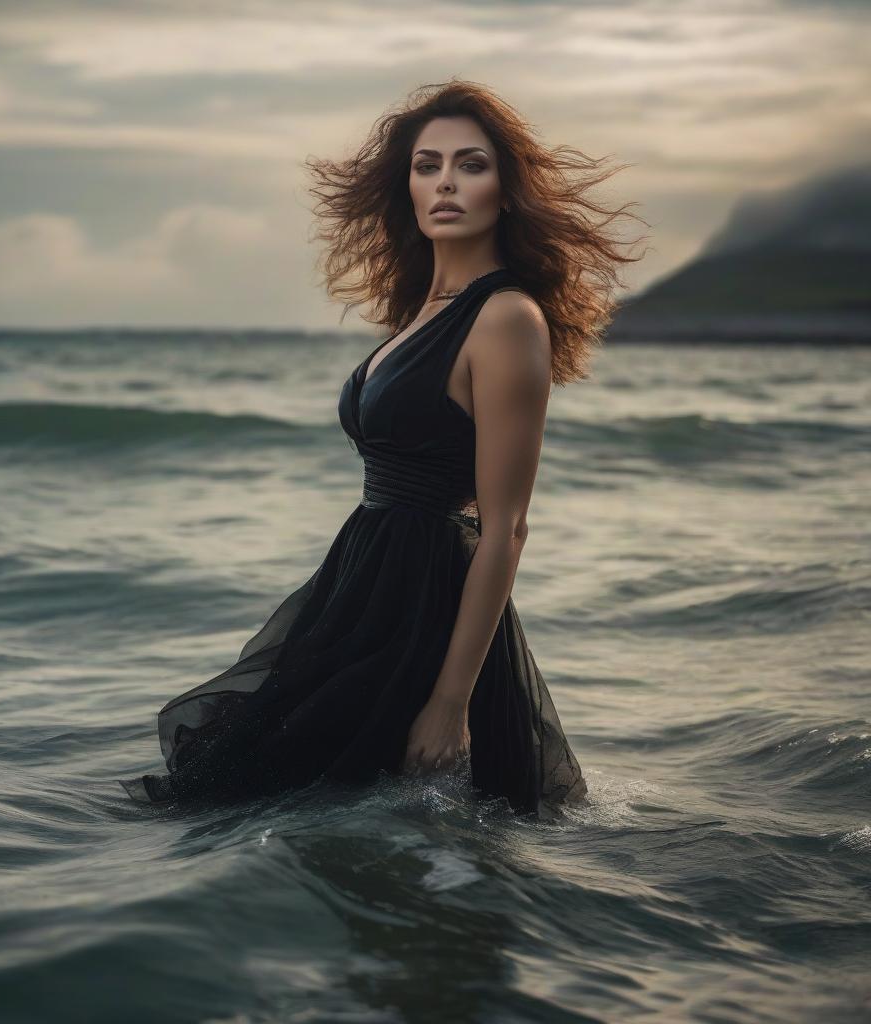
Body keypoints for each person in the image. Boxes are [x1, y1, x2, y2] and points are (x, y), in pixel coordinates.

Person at [119, 79, 646, 817]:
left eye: (471, 165)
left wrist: (451, 700)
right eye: (427, 166)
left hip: (426, 604)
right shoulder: (418, 313)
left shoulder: (505, 318)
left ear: (507, 187)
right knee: (281, 807)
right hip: (366, 586)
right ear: (406, 185)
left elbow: (508, 527)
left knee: (309, 804)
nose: (446, 184)